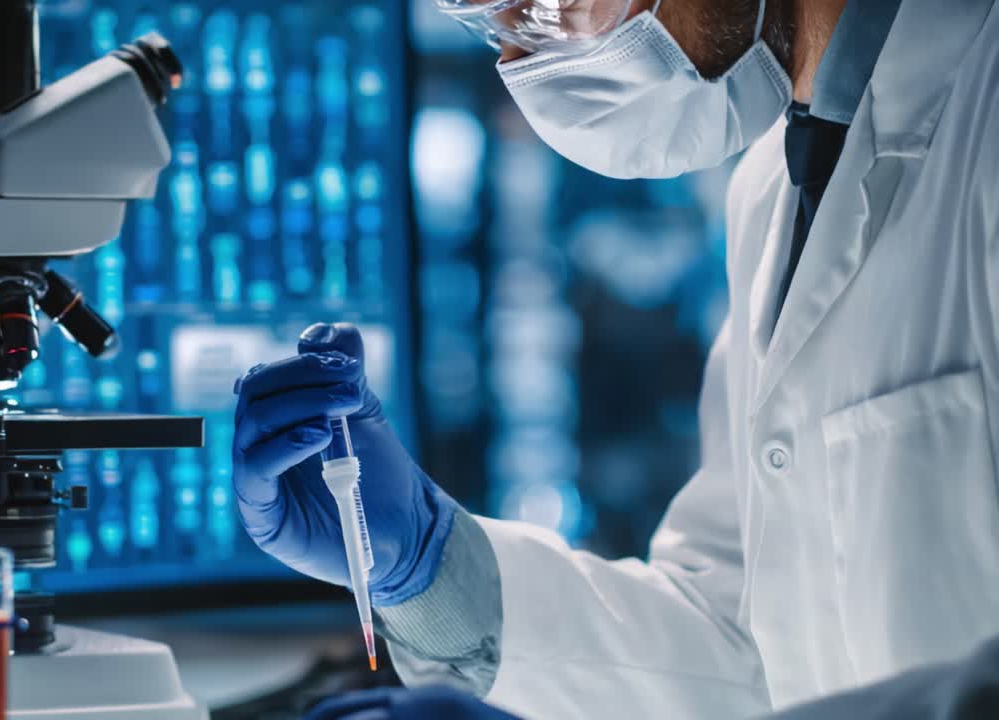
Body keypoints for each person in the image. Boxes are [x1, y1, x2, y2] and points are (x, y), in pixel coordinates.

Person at [232, 0, 999, 717]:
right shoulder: (773, 188)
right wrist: (429, 568)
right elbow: (744, 647)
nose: (520, 58)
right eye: (485, 18)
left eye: (538, 6)